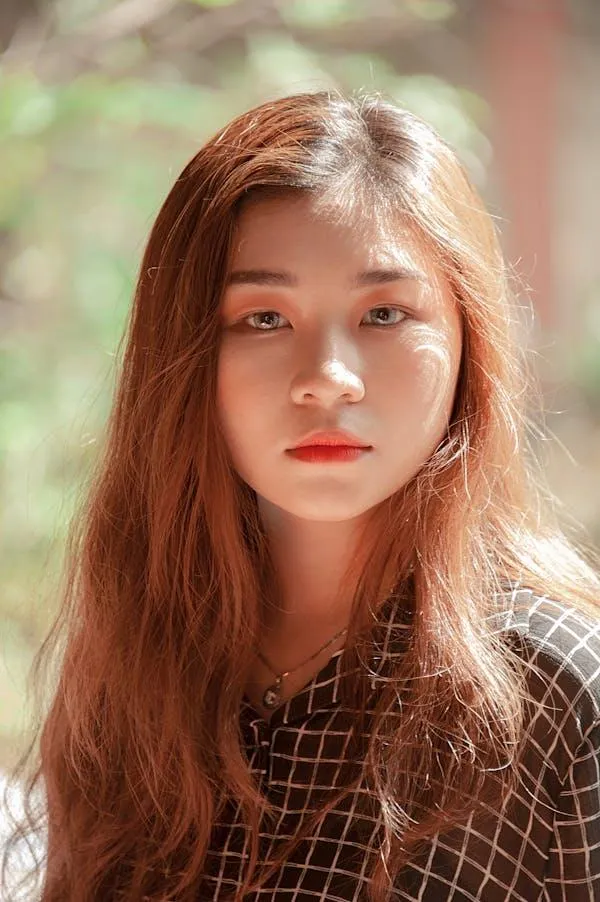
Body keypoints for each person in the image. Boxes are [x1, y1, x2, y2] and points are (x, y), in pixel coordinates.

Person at [2, 89, 600, 902]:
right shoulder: (138, 662)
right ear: (181, 357)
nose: (327, 378)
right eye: (263, 319)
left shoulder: (563, 692)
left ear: (469, 340)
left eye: (385, 312)